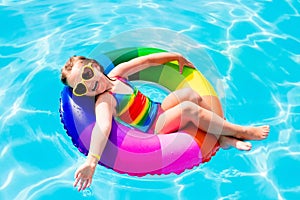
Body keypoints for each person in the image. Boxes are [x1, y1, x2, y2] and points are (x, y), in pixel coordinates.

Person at [60, 52, 270, 191]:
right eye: (80, 87)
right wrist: (91, 160)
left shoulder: (117, 75)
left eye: (87, 74)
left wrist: (175, 56)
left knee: (190, 94)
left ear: (95, 66)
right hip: (153, 127)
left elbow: (145, 62)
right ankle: (241, 131)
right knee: (189, 110)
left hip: (158, 108)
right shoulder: (104, 100)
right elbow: (103, 127)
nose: (89, 83)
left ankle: (222, 138)